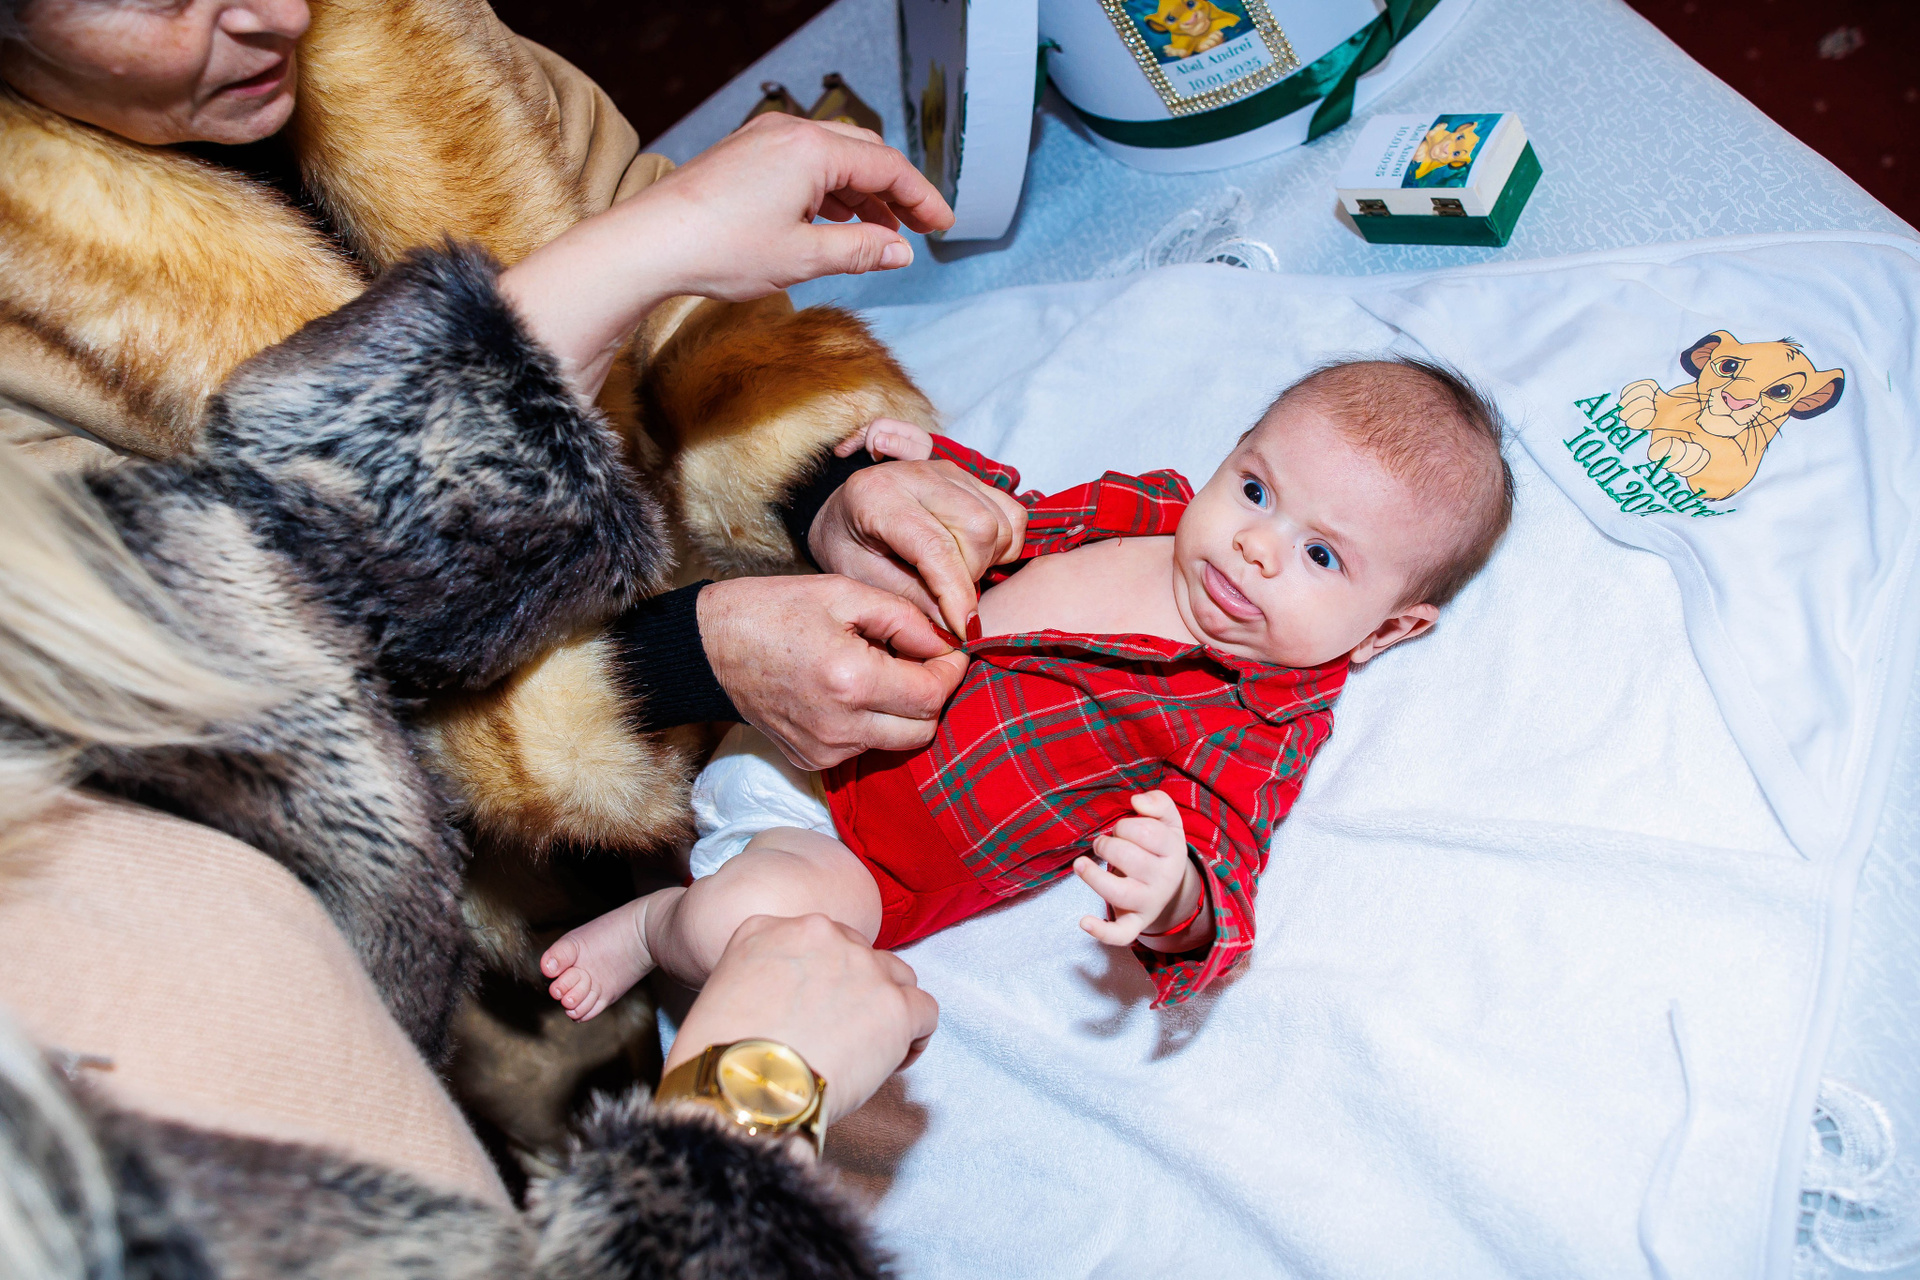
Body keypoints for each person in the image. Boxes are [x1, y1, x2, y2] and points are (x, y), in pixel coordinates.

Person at [0, 0, 1026, 1146]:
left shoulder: (403, 25)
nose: (275, 14)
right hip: (488, 921)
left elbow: (654, 256)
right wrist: (674, 663)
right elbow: (240, 704)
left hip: (775, 703)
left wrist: (819, 482)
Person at [542, 361, 1515, 1017]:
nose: (1257, 544)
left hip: (856, 857)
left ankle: (653, 925)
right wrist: (936, 470)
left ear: (1388, 630)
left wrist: (1176, 893)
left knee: (736, 932)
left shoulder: (1259, 715)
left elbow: (1228, 847)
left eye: (1320, 554)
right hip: (801, 693)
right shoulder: (1152, 507)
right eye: (1256, 489)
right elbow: (1017, 517)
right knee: (613, 657)